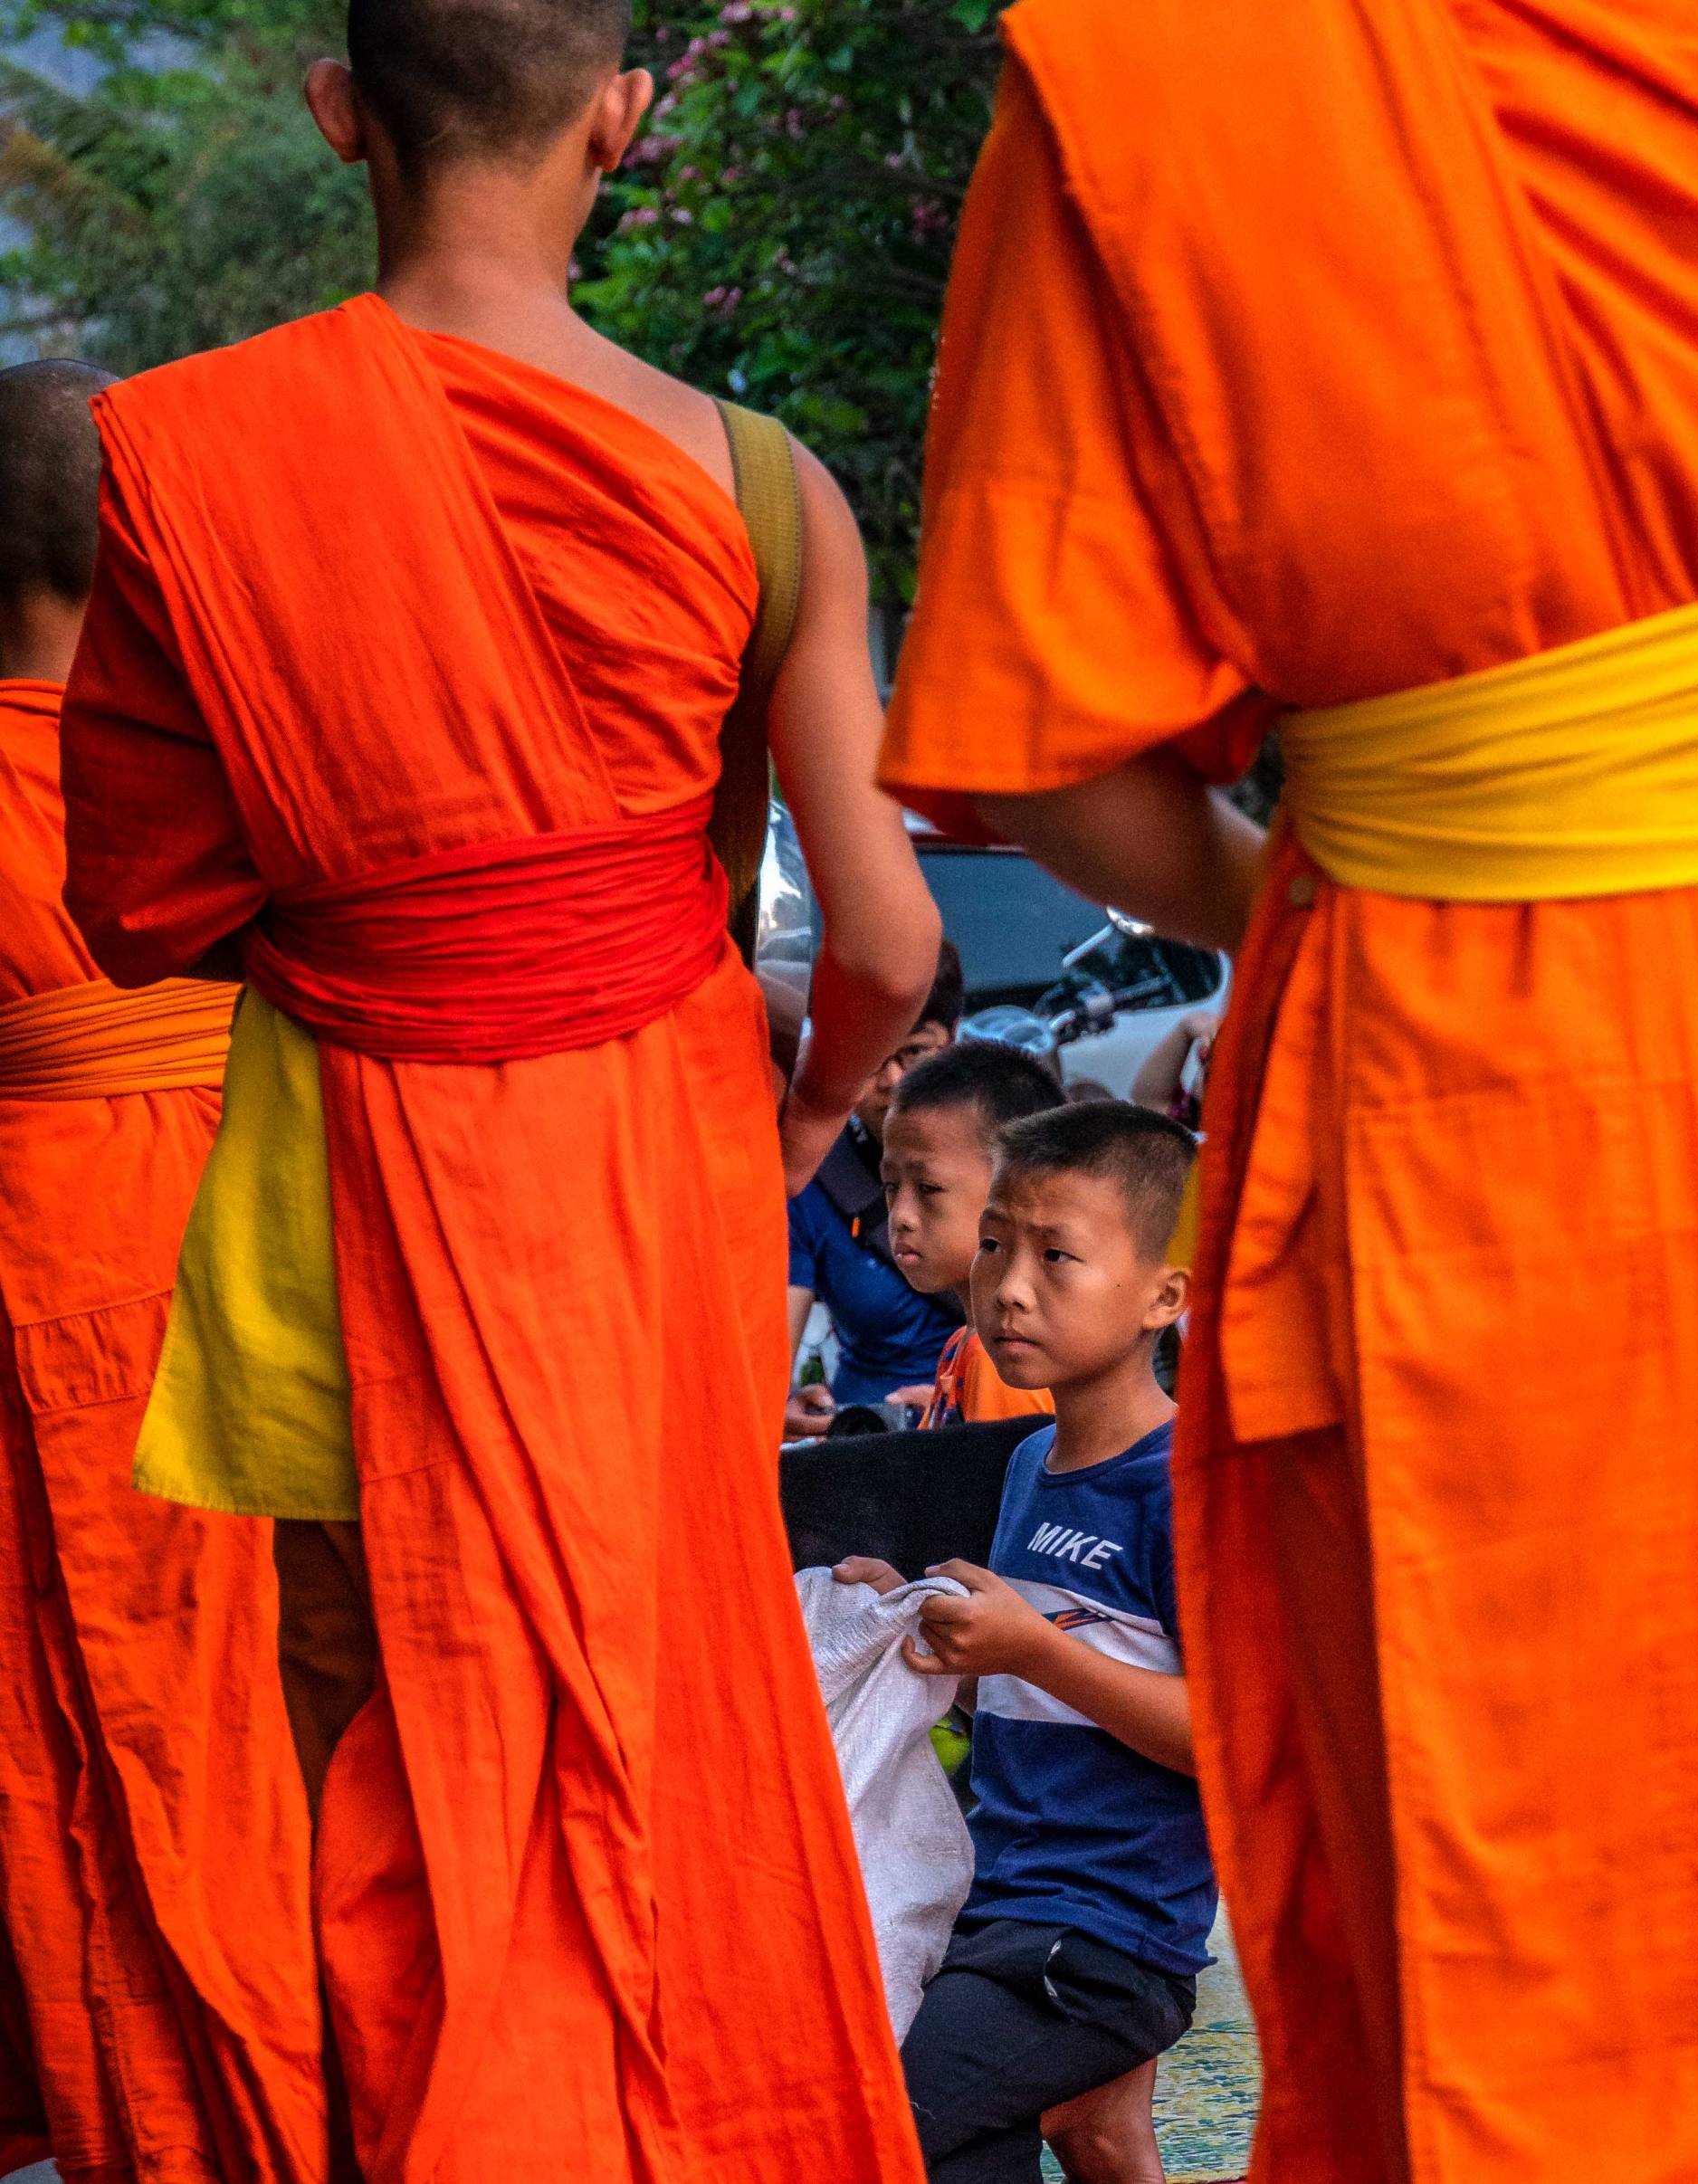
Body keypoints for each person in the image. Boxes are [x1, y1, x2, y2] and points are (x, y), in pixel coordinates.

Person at [878, 0, 1698, 2178]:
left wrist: (1320, 872)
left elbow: (1039, 760)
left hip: (1416, 1064)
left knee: (1457, 1848)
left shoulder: (1142, 78)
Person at [56, 0, 941, 2170]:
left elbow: (143, 904)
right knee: (650, 1720)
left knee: (394, 1766)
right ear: (622, 125)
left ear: (342, 113)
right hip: (657, 1196)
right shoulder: (759, 481)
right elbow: (893, 943)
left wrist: (377, 876)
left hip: (344, 1204)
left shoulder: (188, 450)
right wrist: (807, 1113)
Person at [0, 363, 324, 2179]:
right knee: (284, 1730)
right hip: (275, 1258)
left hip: (61, 1278)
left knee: (95, 1742)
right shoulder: (257, 771)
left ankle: (159, 2123)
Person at [840, 1102, 1206, 2184]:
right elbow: (1014, 1681)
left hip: (1103, 1940)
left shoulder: (1182, 1485)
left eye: (1057, 1257)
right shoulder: (1027, 1463)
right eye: (995, 1241)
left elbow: (1231, 1742)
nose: (1006, 1283)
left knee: (870, 2125)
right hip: (990, 1905)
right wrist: (903, 1620)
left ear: (1163, 1296)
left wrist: (1031, 1647)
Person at [787, 938, 966, 1436]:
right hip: (872, 1433)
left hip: (1000, 1428)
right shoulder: (814, 1176)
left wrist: (971, 1398)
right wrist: (787, 1406)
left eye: (914, 1052)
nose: (894, 1082)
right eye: (868, 1056)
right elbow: (768, 1356)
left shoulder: (1015, 1148)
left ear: (954, 1037)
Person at [882, 1040, 1064, 1428]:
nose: (901, 1217)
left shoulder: (1005, 1360)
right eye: (891, 1187)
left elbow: (997, 1490)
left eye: (928, 1189)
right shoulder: (965, 1344)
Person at [1127, 1008, 1219, 1131]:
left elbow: (1148, 1105)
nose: (1204, 1069)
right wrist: (1186, 1027)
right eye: (1205, 1062)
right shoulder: (1196, 1126)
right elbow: (1147, 1103)